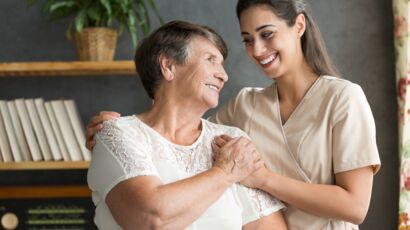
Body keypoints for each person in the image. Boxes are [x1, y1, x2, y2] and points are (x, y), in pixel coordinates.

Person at [86, 0, 381, 229]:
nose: (257, 49)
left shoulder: (343, 98)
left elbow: (355, 206)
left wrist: (262, 179)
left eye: (267, 34)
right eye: (248, 39)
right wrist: (113, 130)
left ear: (299, 25)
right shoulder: (246, 105)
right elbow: (180, 134)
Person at [87, 20, 287, 230]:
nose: (223, 75)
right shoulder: (117, 133)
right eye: (211, 60)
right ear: (168, 66)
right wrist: (226, 172)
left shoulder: (231, 141)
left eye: (221, 64)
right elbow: (149, 219)